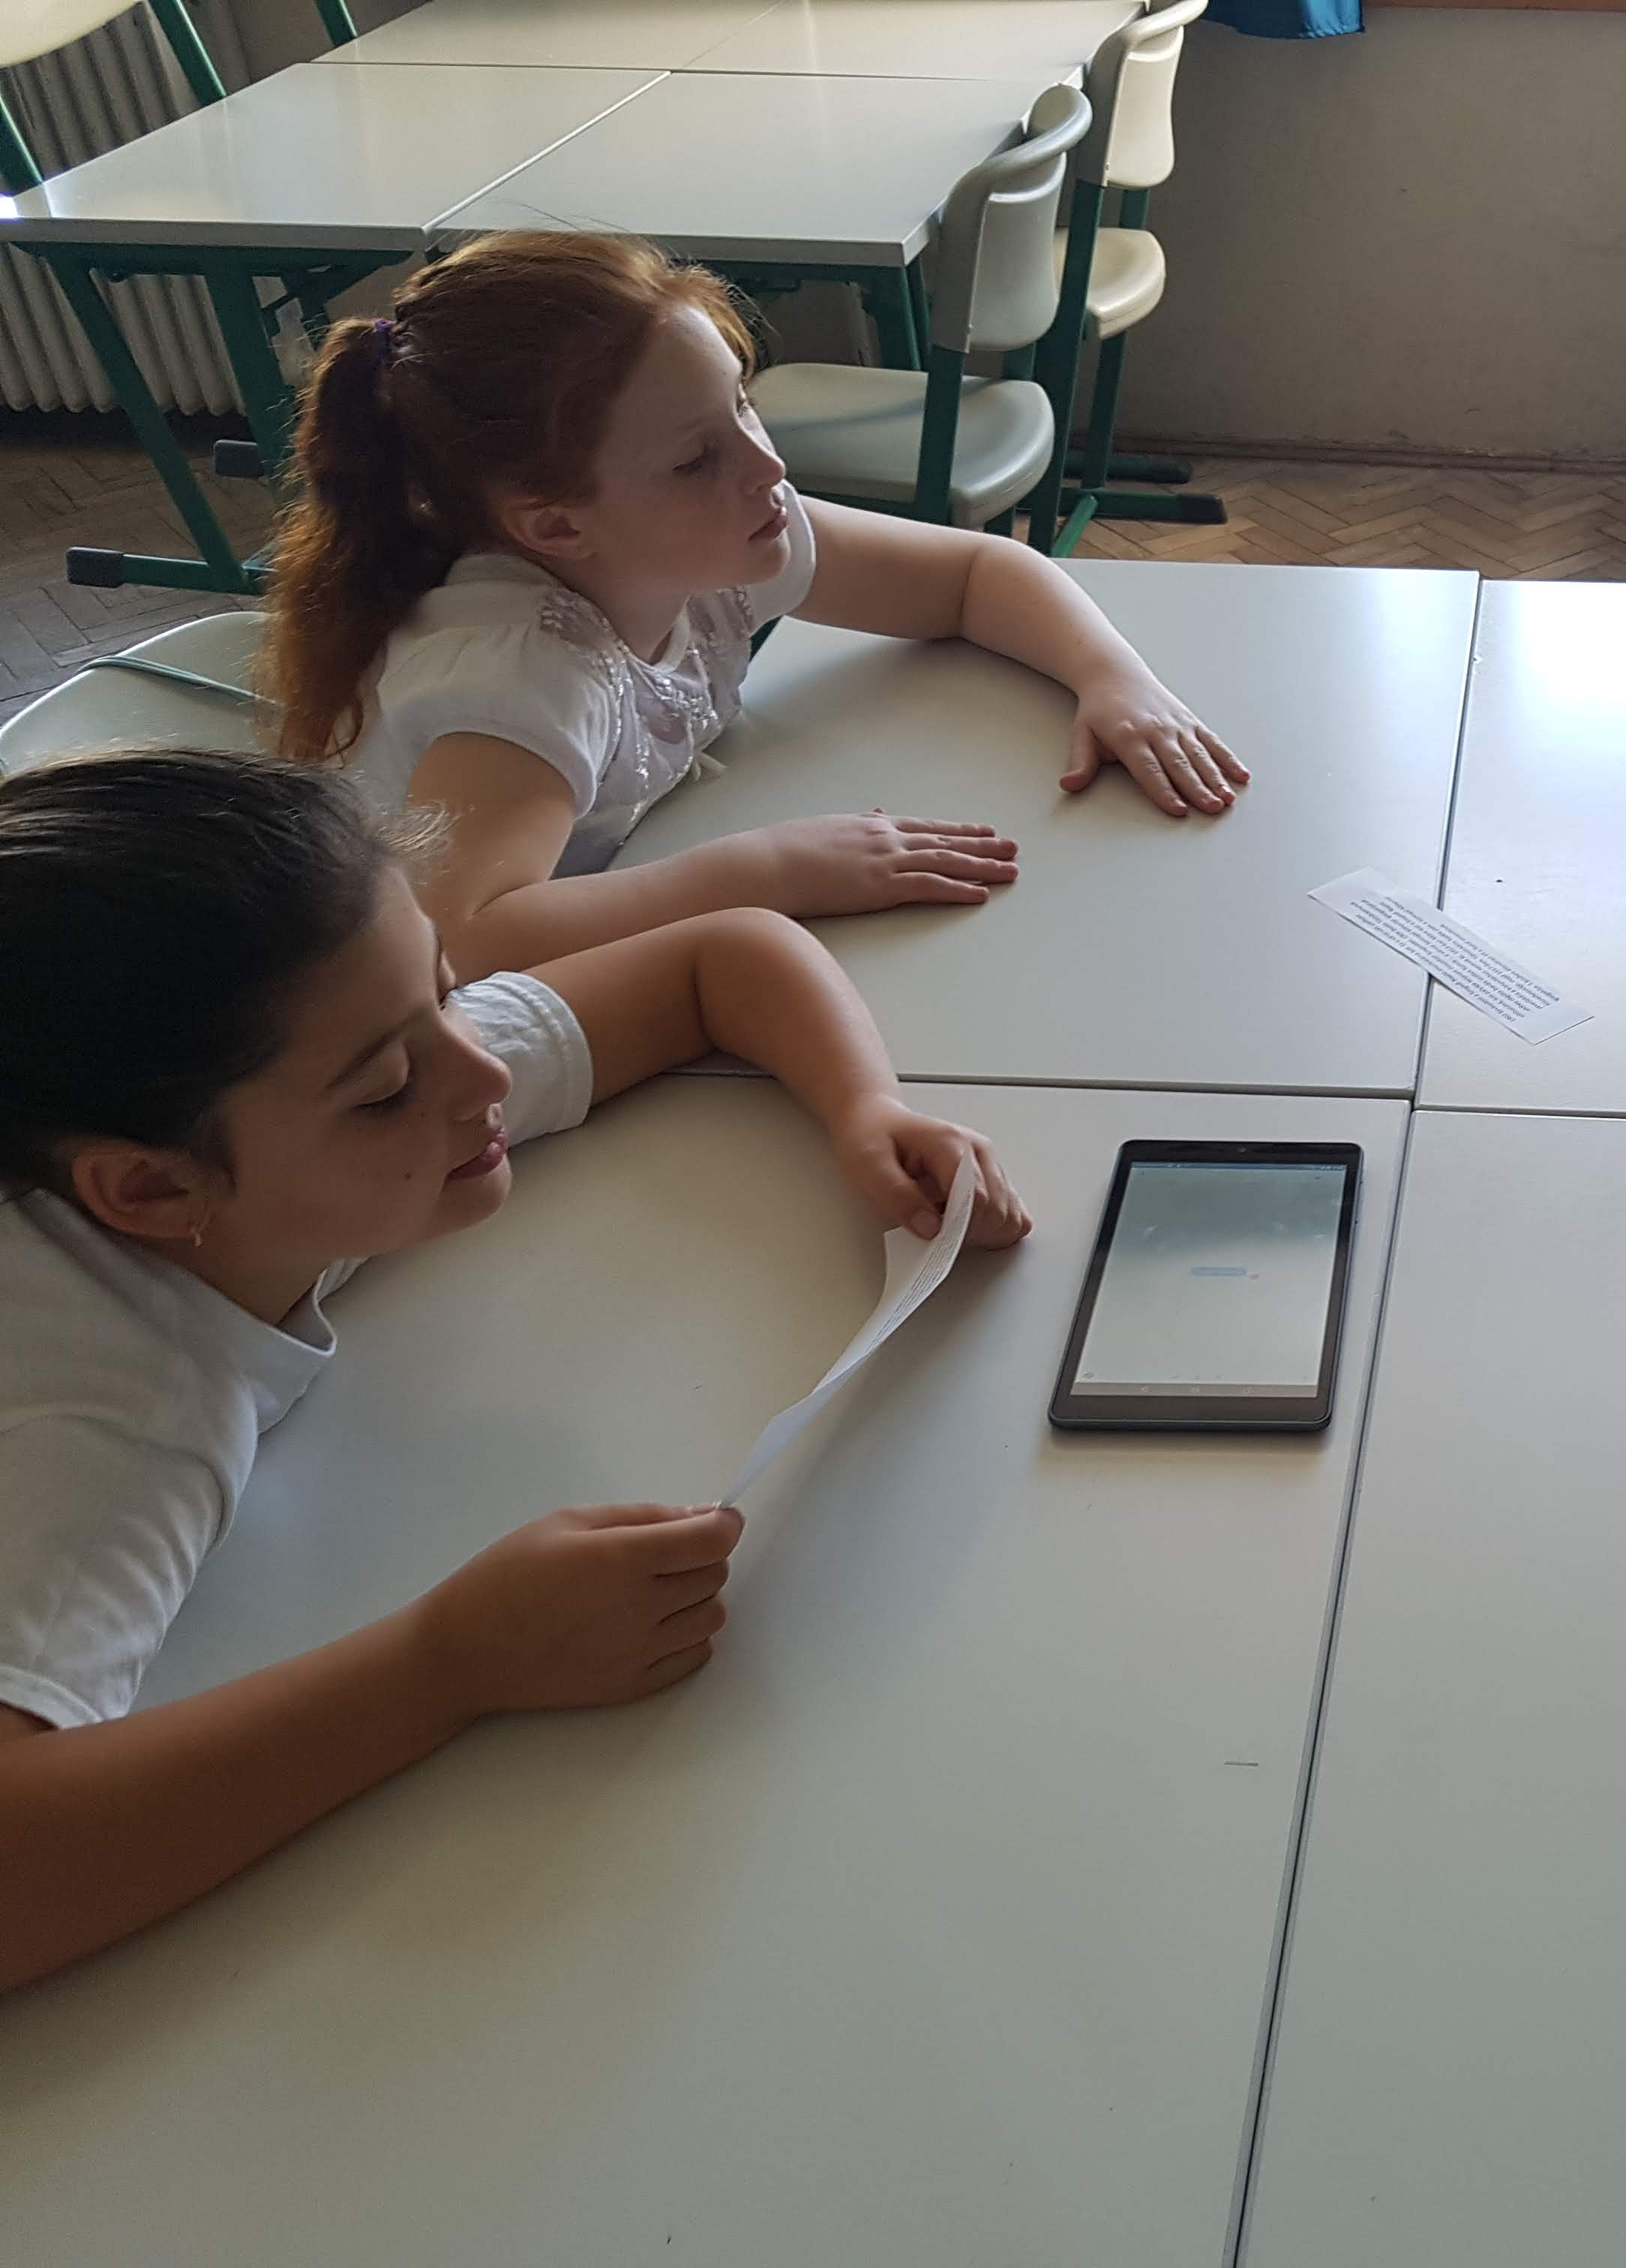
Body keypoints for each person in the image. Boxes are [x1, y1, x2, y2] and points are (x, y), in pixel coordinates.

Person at [0, 747, 1032, 1991]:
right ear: (153, 1190)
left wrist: (867, 1109)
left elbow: (716, 960)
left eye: (446, 992)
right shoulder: (114, 1410)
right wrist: (448, 1665)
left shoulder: (286, 1123)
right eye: (386, 1090)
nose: (481, 1068)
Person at [261, 230, 1246, 985]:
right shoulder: (520, 675)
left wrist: (1113, 679)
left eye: (742, 402)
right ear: (556, 526)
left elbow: (972, 576)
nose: (767, 465)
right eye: (697, 458)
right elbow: (463, 941)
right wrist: (770, 869)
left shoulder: (714, 537)